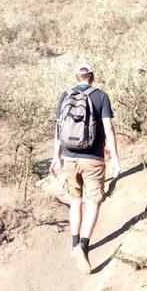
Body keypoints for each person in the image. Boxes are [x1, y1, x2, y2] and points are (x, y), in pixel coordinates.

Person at [50, 63, 121, 275]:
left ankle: (73, 244)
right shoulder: (101, 96)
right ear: (92, 77)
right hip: (94, 159)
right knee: (94, 202)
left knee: (75, 200)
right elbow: (108, 128)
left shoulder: (65, 95)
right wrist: (115, 158)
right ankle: (84, 244)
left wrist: (56, 157)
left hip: (70, 157)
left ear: (76, 77)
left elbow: (59, 128)